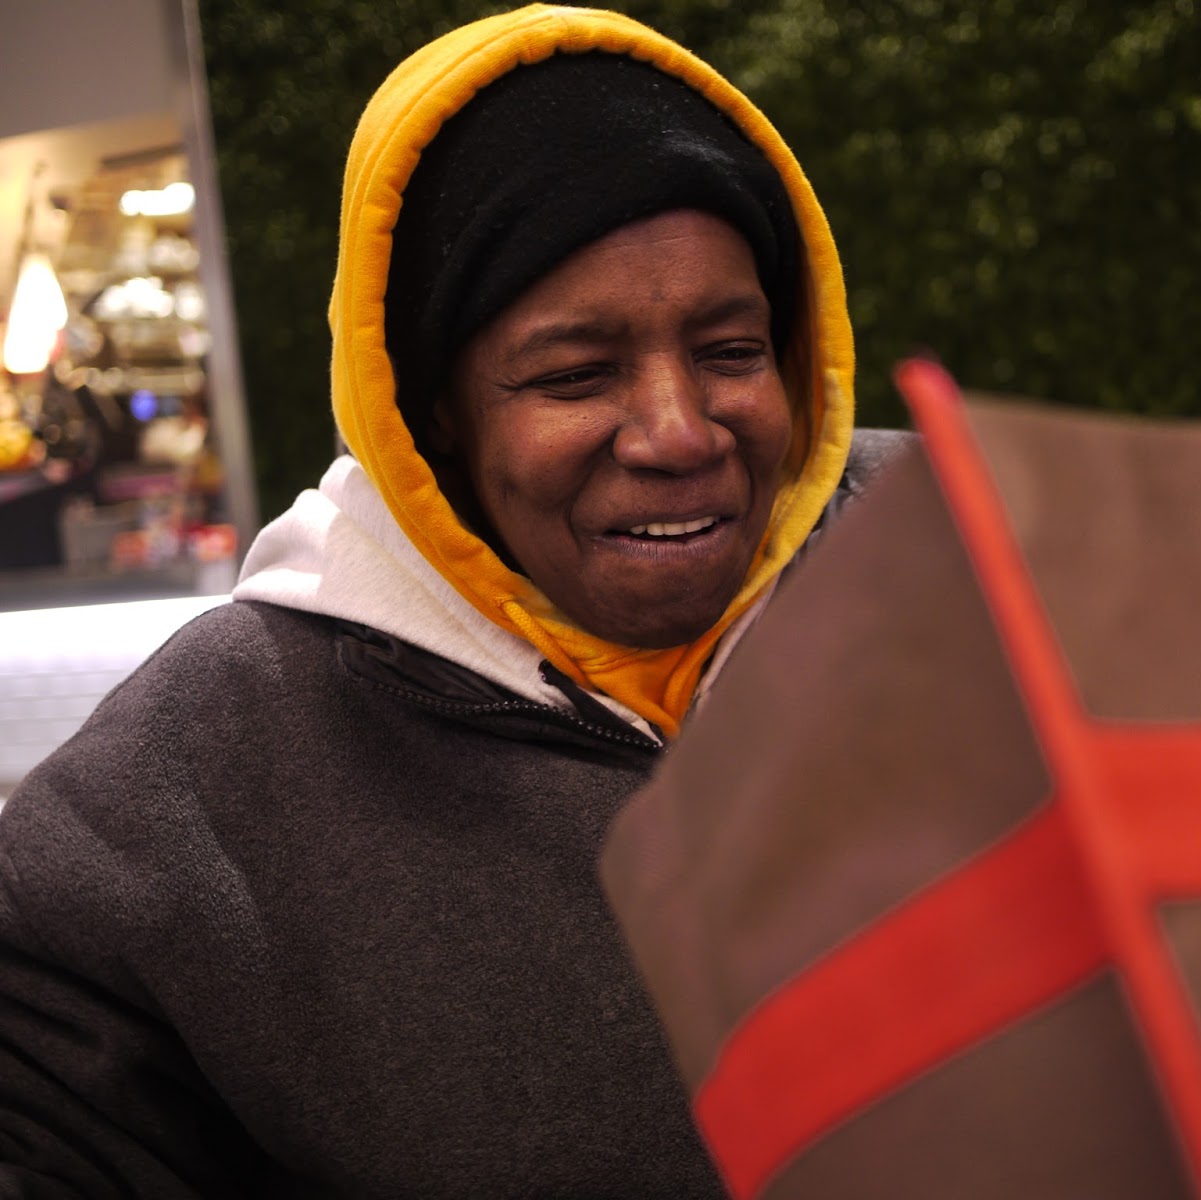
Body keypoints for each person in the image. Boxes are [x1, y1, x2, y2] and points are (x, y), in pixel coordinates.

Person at [0, 6, 906, 1196]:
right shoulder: (196, 782)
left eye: (731, 351)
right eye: (575, 375)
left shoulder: (956, 553)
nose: (679, 433)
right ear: (429, 417)